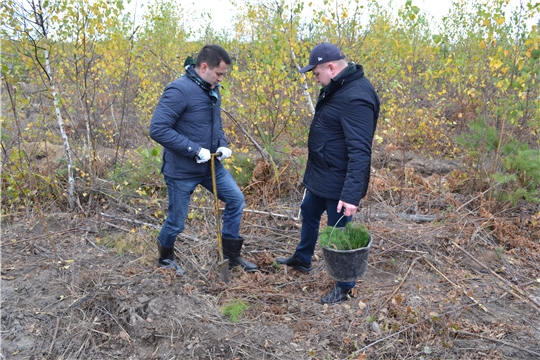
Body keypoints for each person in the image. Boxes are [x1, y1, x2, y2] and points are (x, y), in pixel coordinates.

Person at [277, 42, 380, 304]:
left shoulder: (356, 97)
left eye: (316, 73)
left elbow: (359, 151)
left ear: (331, 67)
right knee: (310, 213)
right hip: (322, 176)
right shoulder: (339, 87)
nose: (315, 78)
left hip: (339, 184)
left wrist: (351, 195)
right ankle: (302, 258)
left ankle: (345, 285)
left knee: (339, 233)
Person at [150, 44, 257, 275]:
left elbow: (215, 124)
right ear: (204, 67)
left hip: (210, 167)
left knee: (236, 200)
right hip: (181, 171)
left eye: (223, 75)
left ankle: (231, 256)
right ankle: (165, 258)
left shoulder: (211, 89)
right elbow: (158, 129)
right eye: (219, 74)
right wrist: (194, 149)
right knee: (177, 222)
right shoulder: (179, 90)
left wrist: (223, 144)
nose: (220, 79)